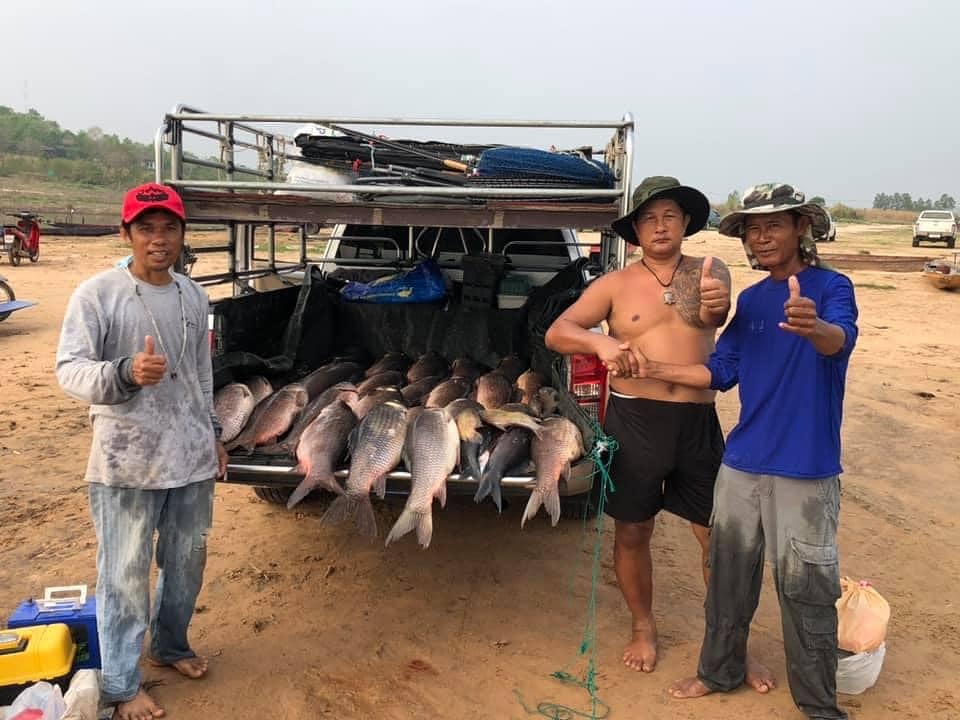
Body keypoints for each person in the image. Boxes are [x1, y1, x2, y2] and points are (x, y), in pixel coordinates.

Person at [618, 183, 857, 719]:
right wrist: (653, 370)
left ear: (802, 228)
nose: (762, 235)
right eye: (753, 227)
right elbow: (721, 372)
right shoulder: (750, 302)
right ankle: (719, 671)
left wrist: (812, 324)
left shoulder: (831, 286)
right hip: (741, 463)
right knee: (728, 577)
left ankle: (820, 705)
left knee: (806, 589)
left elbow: (840, 339)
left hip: (806, 467)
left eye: (775, 224)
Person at [545, 176, 773, 685]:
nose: (660, 225)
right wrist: (601, 346)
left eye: (669, 215)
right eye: (649, 218)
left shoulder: (711, 271)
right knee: (633, 530)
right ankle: (643, 627)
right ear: (635, 231)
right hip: (634, 419)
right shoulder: (614, 284)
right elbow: (558, 332)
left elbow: (714, 311)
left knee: (720, 537)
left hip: (697, 422)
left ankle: (730, 646)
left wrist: (714, 302)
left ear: (686, 222)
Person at [56, 183, 228, 720]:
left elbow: (201, 374)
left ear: (182, 234)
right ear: (126, 232)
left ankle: (170, 644)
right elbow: (69, 370)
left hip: (191, 456)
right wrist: (124, 372)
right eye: (147, 228)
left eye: (169, 227)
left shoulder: (192, 295)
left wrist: (214, 432)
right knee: (125, 577)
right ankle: (122, 684)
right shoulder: (97, 294)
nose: (159, 239)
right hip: (125, 461)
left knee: (186, 563)